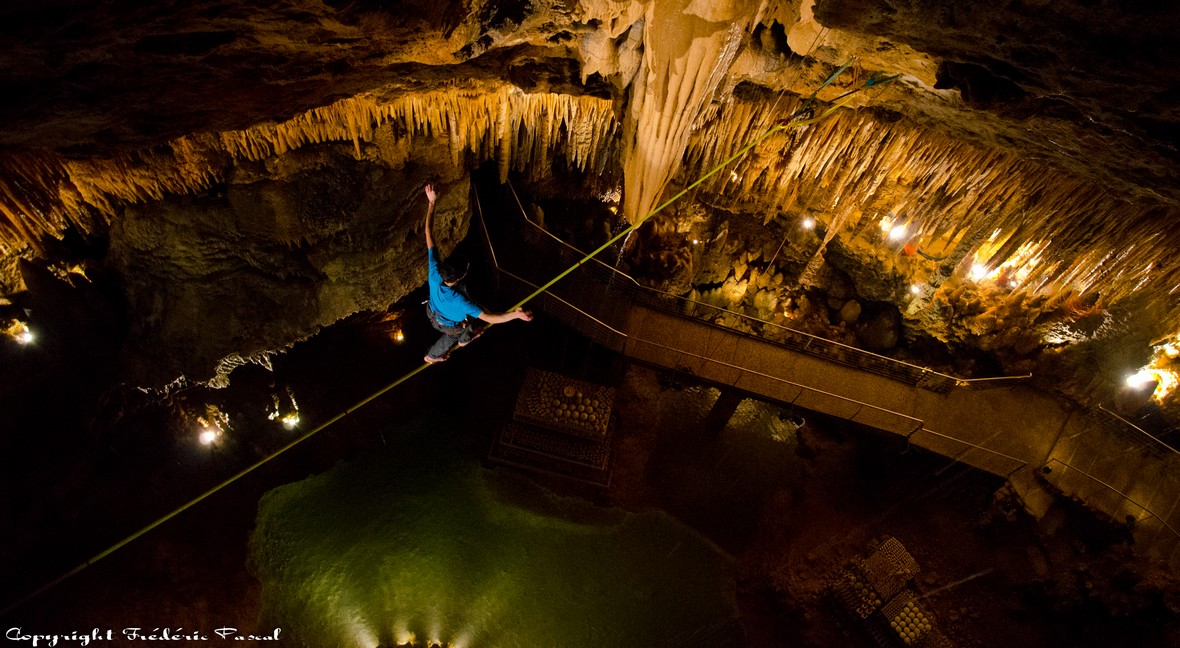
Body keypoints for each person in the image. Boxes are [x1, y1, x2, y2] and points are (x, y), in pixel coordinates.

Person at [421, 184, 532, 363]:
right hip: (447, 325)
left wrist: (432, 202)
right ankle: (432, 356)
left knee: (474, 315)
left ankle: (464, 337)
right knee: (459, 333)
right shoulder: (461, 301)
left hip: (431, 311)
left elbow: (428, 234)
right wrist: (516, 315)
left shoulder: (435, 272)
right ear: (460, 277)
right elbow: (491, 318)